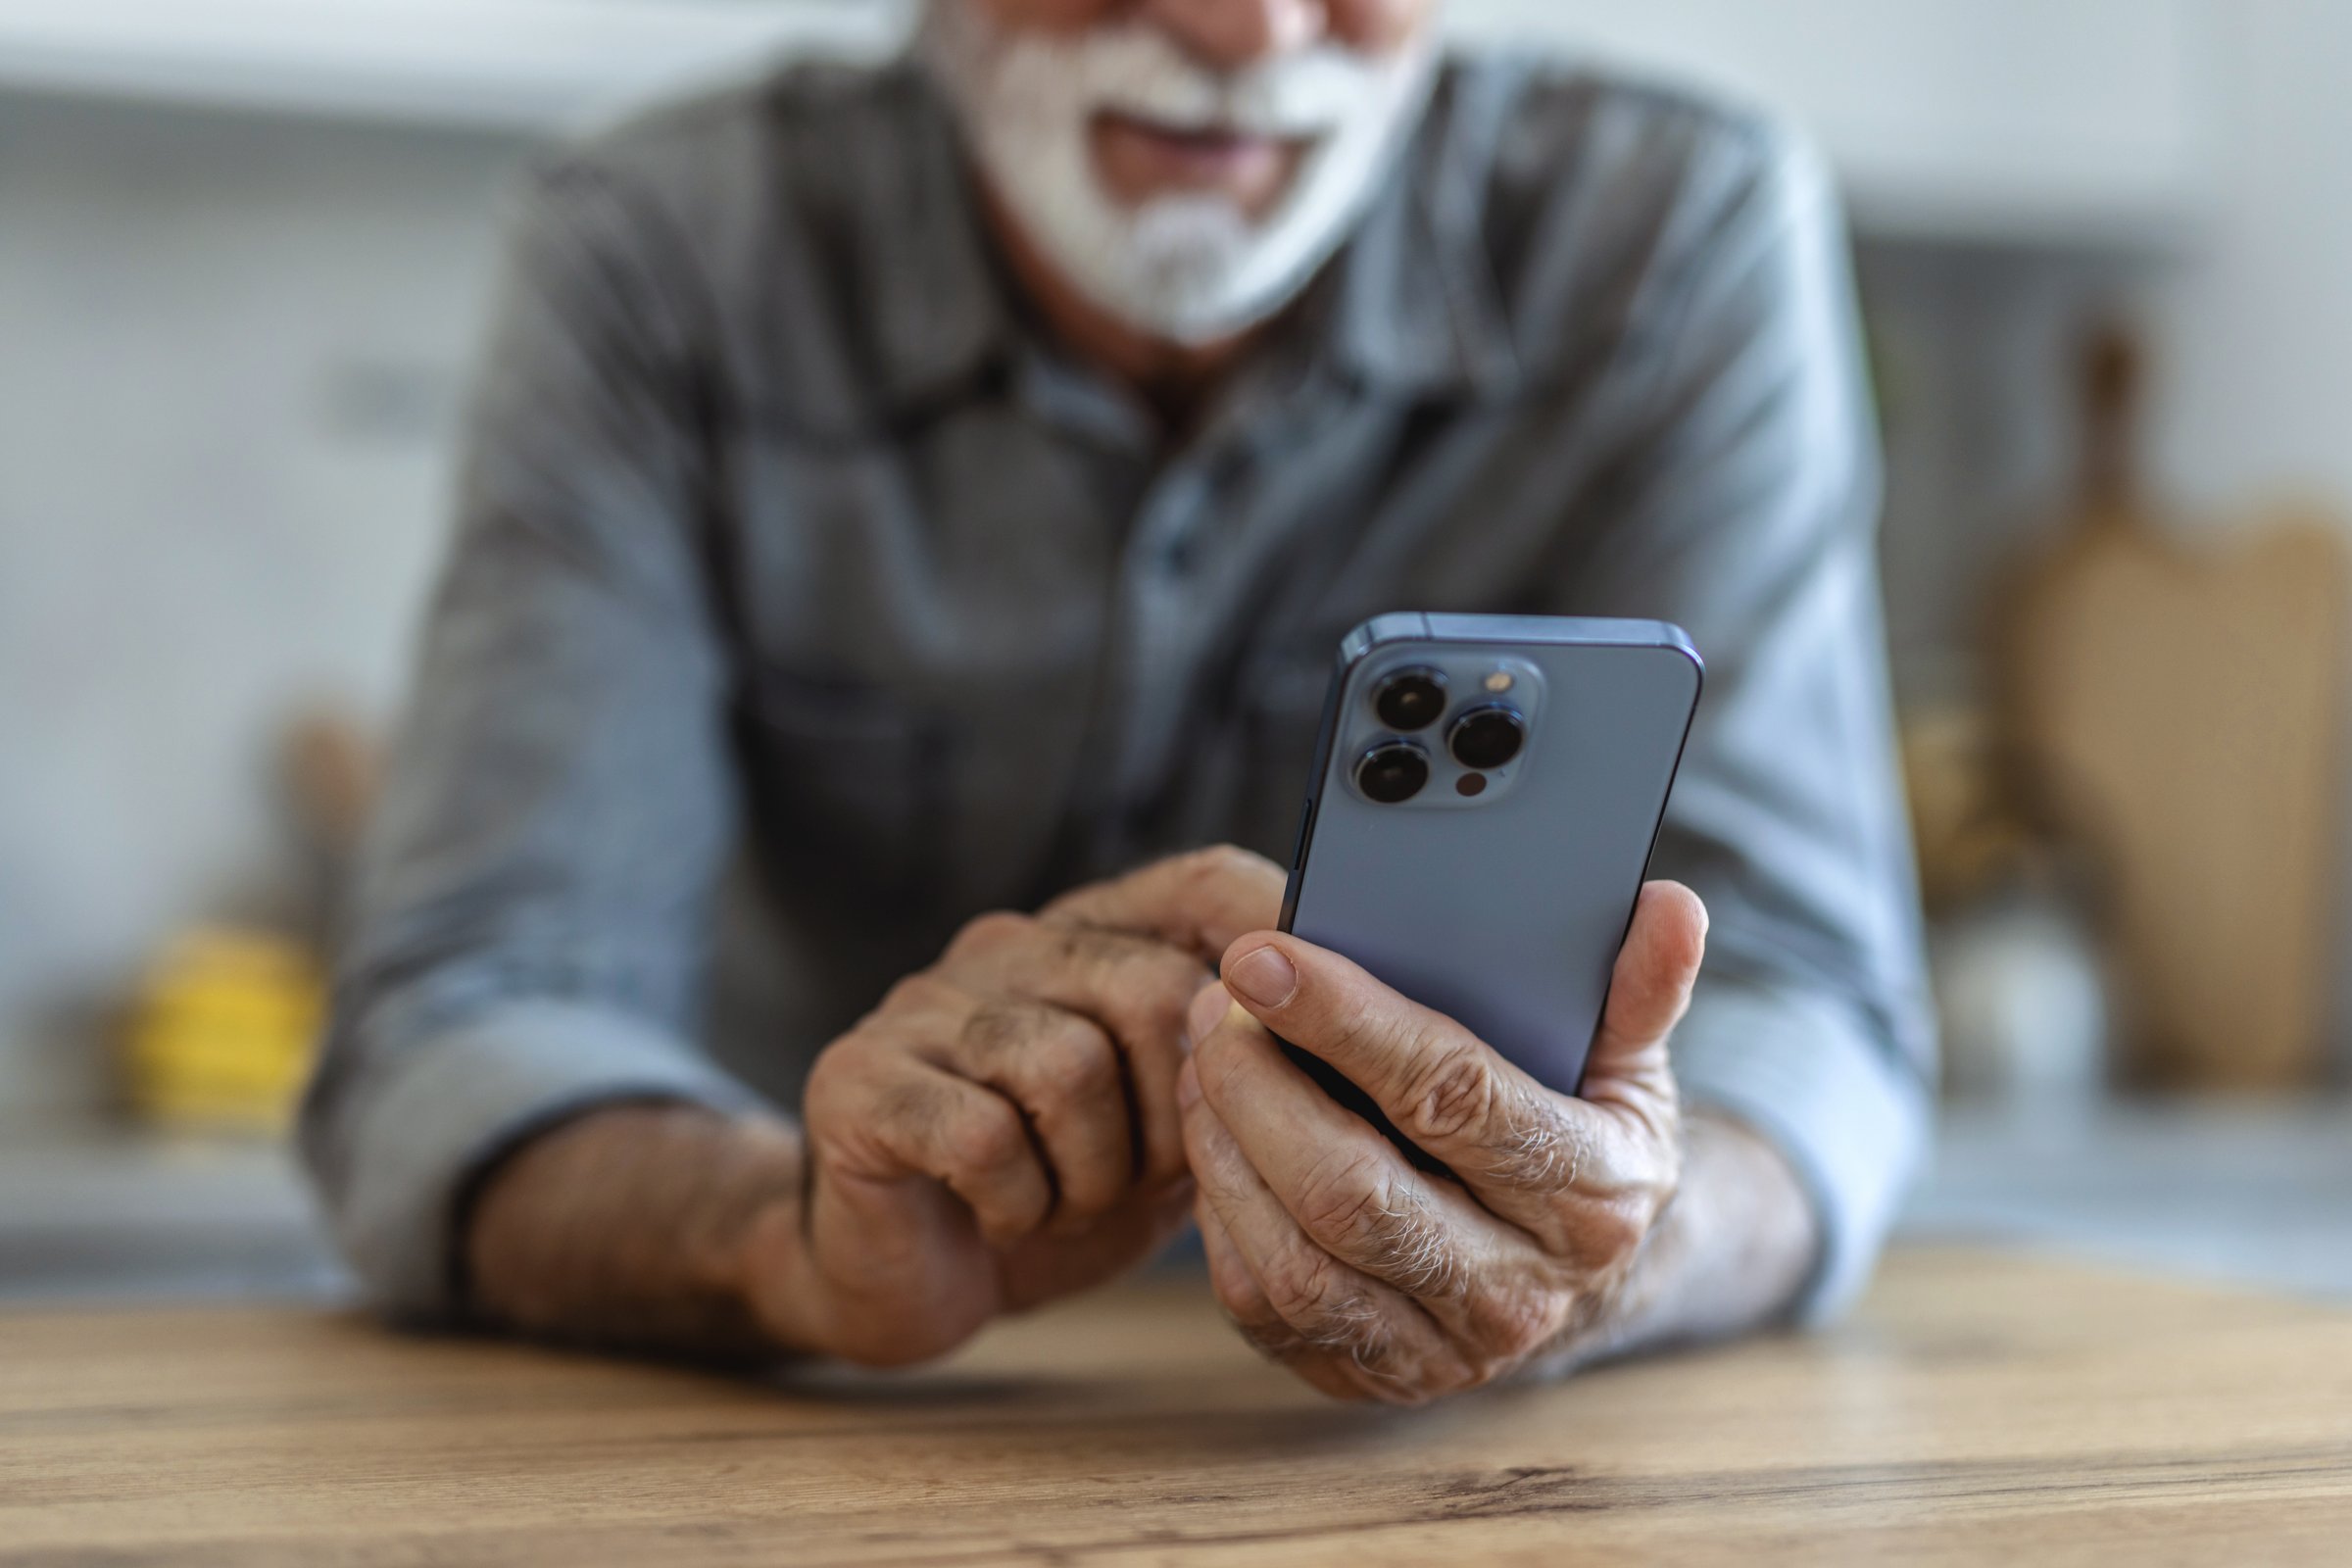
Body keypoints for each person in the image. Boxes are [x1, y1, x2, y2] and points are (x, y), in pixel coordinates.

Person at [301, 0, 1933, 1403]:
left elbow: (1814, 1015)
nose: (1247, 31)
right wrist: (781, 1237)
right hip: (837, 1443)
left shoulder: (1672, 238)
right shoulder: (663, 253)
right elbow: (463, 1025)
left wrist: (1622, 1246)